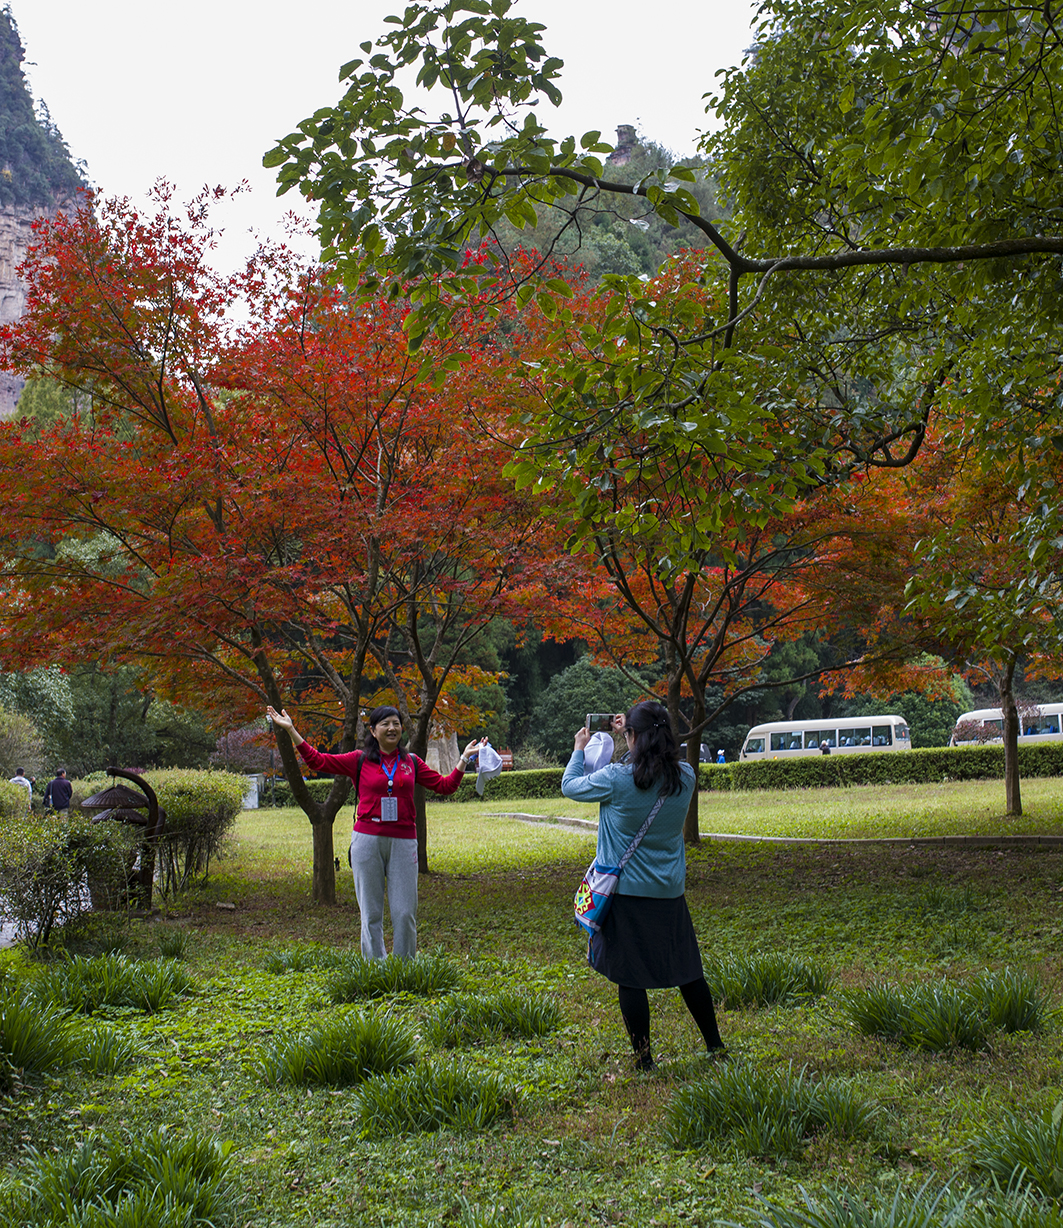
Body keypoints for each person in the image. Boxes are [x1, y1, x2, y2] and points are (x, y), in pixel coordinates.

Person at [562, 701, 723, 1071]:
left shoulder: (617, 779)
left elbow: (570, 786)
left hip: (626, 893)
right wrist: (631, 734)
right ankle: (715, 1045)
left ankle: (643, 1059)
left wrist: (579, 749)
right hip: (668, 891)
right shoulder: (686, 777)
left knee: (629, 977)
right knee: (688, 970)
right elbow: (651, 759)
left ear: (633, 736)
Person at [266, 704, 483, 959]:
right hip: (367, 840)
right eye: (385, 724)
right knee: (371, 913)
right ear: (373, 729)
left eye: (396, 723)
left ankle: (404, 969)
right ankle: (374, 969)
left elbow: (445, 786)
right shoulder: (358, 759)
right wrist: (291, 730)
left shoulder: (411, 762)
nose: (392, 728)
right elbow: (317, 761)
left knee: (404, 912)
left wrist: (464, 758)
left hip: (404, 842)